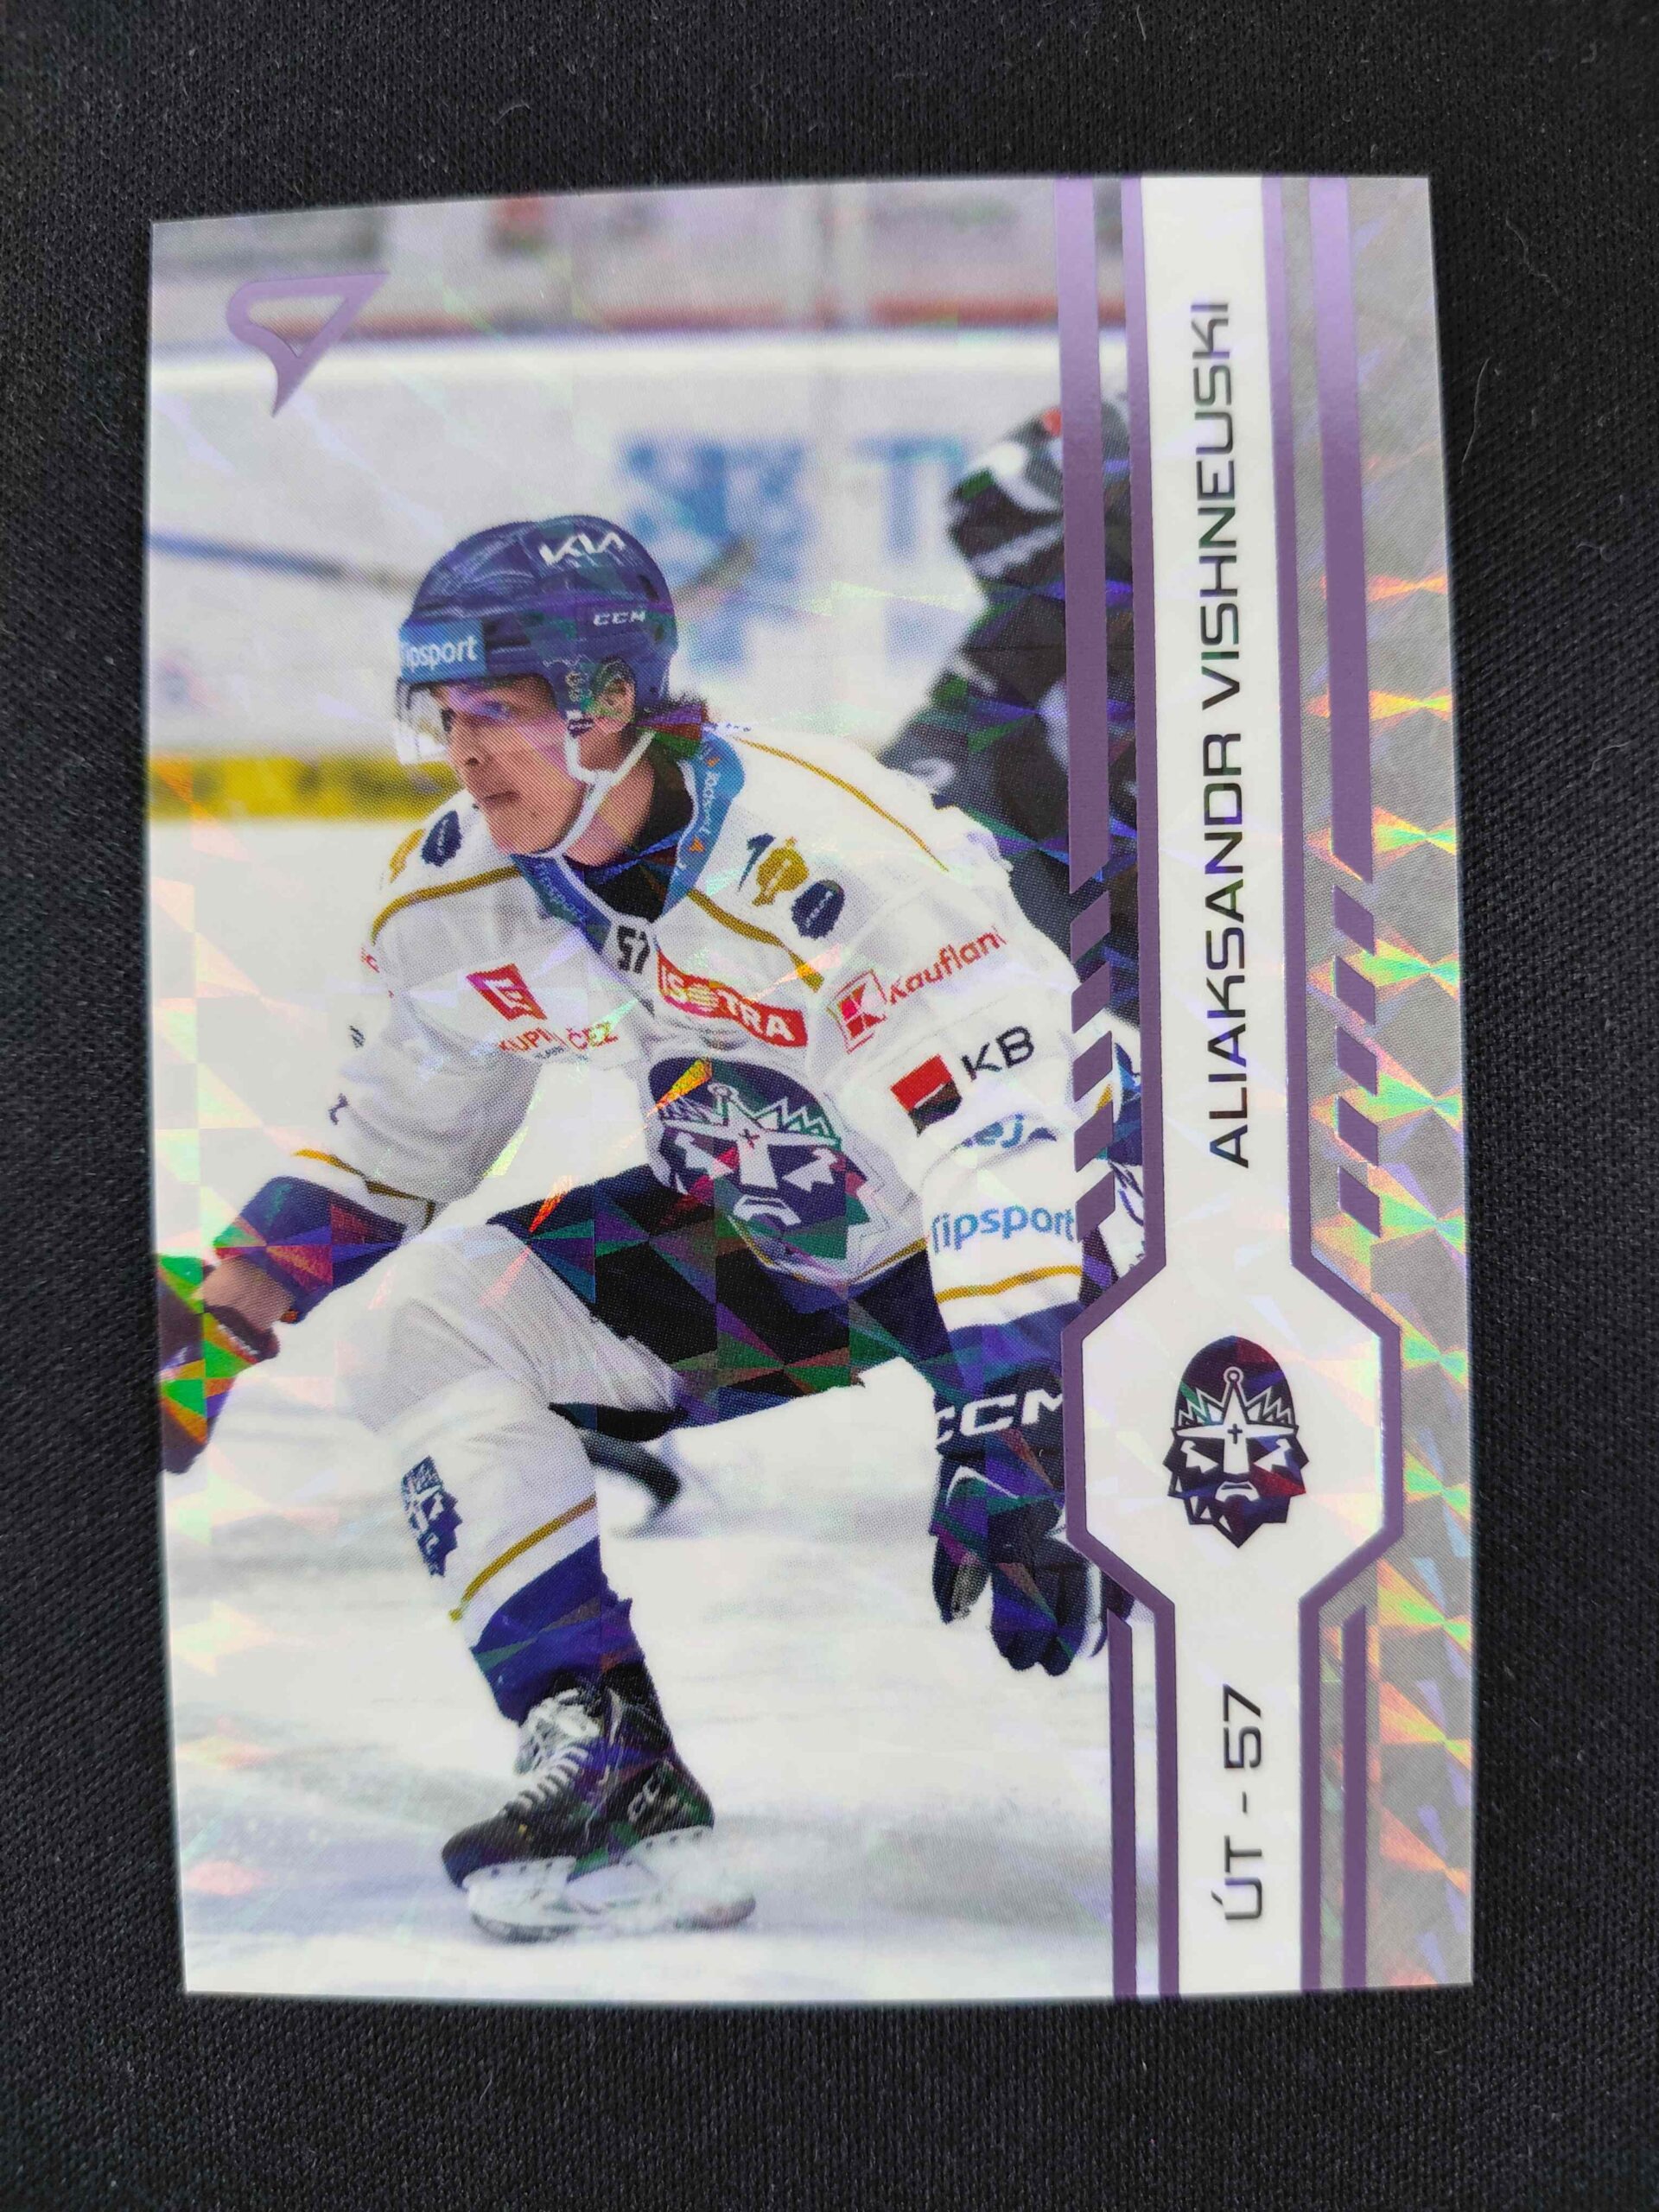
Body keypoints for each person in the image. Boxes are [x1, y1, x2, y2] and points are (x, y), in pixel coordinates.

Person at [156, 514, 1139, 1942]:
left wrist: (1025, 1398)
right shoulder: (463, 896)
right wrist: (228, 1306)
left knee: (1203, 1548)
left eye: (497, 712)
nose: (464, 753)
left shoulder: (838, 850)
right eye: (445, 715)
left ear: (608, 702)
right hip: (778, 1242)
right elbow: (402, 1136)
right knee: (438, 1325)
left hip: (1029, 1243)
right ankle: (607, 1760)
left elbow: (1010, 1130)